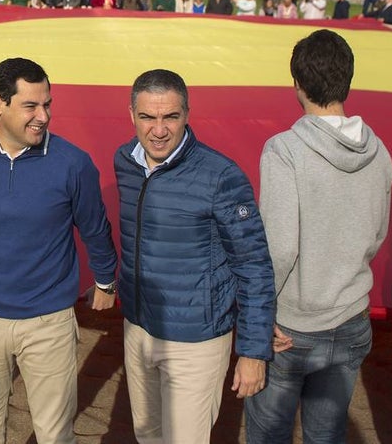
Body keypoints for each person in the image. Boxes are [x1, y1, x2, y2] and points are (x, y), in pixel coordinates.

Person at [0, 57, 117, 444]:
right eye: (31, 106)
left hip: (49, 323)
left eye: (47, 104)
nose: (43, 116)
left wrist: (106, 281)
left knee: (54, 434)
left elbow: (95, 227)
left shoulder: (73, 163)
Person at [245, 31, 392, 443]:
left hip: (292, 328)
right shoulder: (379, 152)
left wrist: (260, 315)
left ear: (297, 83)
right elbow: (377, 233)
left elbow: (279, 247)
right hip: (352, 317)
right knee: (326, 434)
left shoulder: (284, 150)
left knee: (269, 434)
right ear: (348, 79)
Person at [115, 69, 274, 443]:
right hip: (138, 330)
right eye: (147, 117)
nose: (159, 130)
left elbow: (254, 265)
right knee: (147, 435)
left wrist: (253, 352)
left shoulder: (221, 176)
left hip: (195, 343)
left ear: (187, 114)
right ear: (131, 114)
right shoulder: (125, 161)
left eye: (170, 117)